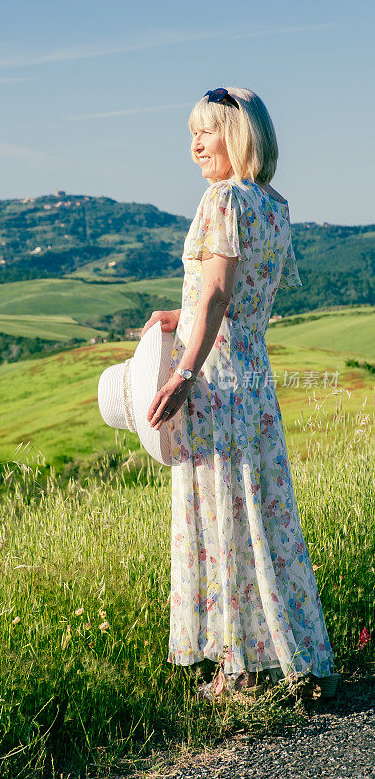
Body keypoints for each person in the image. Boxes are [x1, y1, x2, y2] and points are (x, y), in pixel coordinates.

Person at [141, 87, 337, 699]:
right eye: (191, 133)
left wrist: (182, 373)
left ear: (239, 135)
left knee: (224, 504)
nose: (195, 144)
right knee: (263, 506)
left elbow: (220, 291)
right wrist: (181, 314)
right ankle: (284, 650)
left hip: (219, 378)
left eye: (207, 130)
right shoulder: (273, 204)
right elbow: (241, 298)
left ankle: (237, 668)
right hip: (253, 371)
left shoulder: (222, 198)